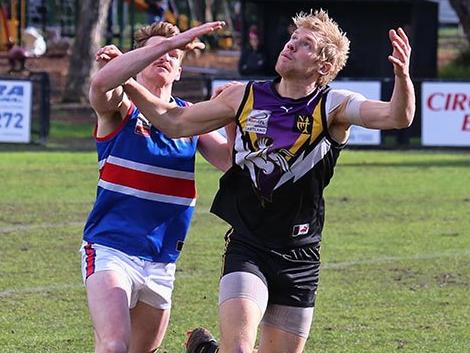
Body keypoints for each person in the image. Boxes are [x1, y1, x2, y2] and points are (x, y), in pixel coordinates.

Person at [96, 10, 415, 353]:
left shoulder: (332, 105)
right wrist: (127, 79)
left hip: (301, 256)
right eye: (292, 38)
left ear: (323, 67)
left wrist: (402, 76)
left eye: (305, 44)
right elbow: (175, 121)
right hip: (248, 246)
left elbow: (397, 116)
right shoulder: (244, 97)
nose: (291, 45)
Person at [81, 21, 232, 353]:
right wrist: (167, 43)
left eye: (174, 53)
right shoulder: (122, 107)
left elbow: (229, 162)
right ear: (138, 58)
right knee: (114, 346)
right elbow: (101, 84)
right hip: (111, 249)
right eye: (157, 50)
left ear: (179, 71)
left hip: (161, 259)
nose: (166, 55)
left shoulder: (189, 117)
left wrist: (233, 118)